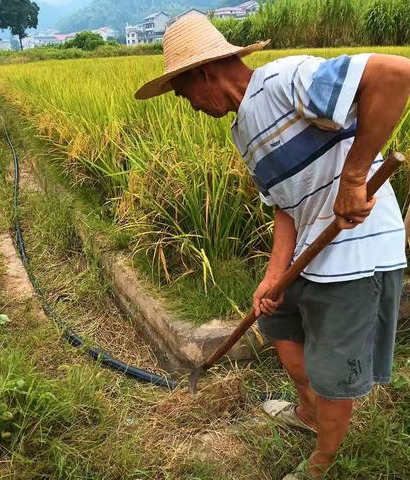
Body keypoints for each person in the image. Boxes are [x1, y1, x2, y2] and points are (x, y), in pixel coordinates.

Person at [135, 13, 410, 480]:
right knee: (281, 330)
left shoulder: (284, 80)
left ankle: (322, 463)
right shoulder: (243, 129)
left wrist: (356, 173)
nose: (190, 106)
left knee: (331, 376)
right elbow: (284, 206)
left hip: (357, 252)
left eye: (183, 94)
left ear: (203, 73)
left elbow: (395, 75)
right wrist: (273, 274)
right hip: (308, 250)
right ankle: (307, 414)